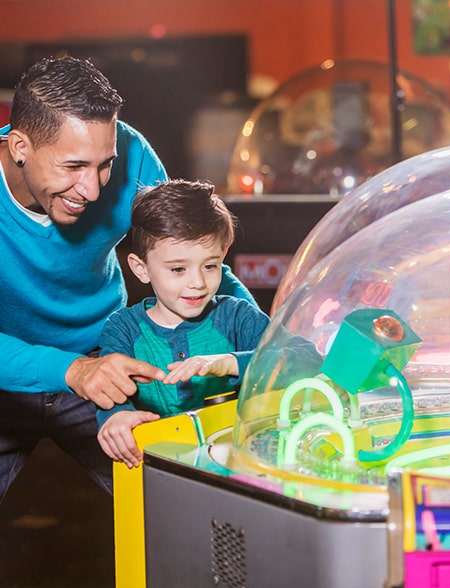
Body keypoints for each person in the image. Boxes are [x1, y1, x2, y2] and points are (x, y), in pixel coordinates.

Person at [0, 56, 255, 499]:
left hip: (109, 361)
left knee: (183, 508)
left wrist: (264, 346)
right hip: (14, 373)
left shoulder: (133, 154)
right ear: (20, 146)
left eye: (104, 165)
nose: (94, 189)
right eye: (73, 166)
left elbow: (193, 255)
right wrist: (72, 370)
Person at [96, 179, 270, 468]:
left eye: (210, 266)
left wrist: (229, 363)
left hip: (236, 464)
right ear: (141, 268)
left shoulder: (239, 317)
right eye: (178, 269)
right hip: (155, 468)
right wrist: (115, 416)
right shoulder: (123, 329)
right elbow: (109, 389)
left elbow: (298, 359)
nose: (198, 283)